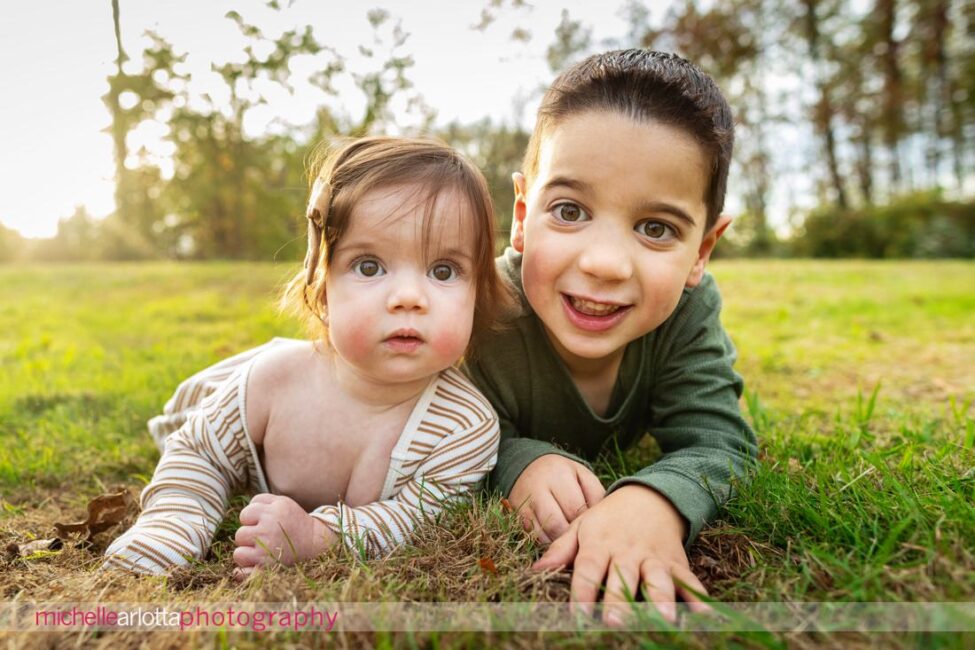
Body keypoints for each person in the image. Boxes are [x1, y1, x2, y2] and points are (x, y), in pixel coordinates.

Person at [104, 136, 507, 577]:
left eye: (443, 271)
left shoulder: (463, 428)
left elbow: (415, 519)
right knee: (200, 429)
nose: (408, 297)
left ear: (478, 293)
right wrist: (176, 521)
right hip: (225, 399)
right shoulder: (273, 381)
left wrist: (320, 537)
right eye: (369, 266)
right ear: (322, 286)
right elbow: (200, 453)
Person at [463, 50, 759, 624]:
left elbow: (720, 440)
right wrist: (516, 460)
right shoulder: (483, 310)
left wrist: (657, 500)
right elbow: (429, 429)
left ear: (701, 251)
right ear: (522, 216)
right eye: (570, 210)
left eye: (656, 229)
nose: (604, 263)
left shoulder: (687, 311)